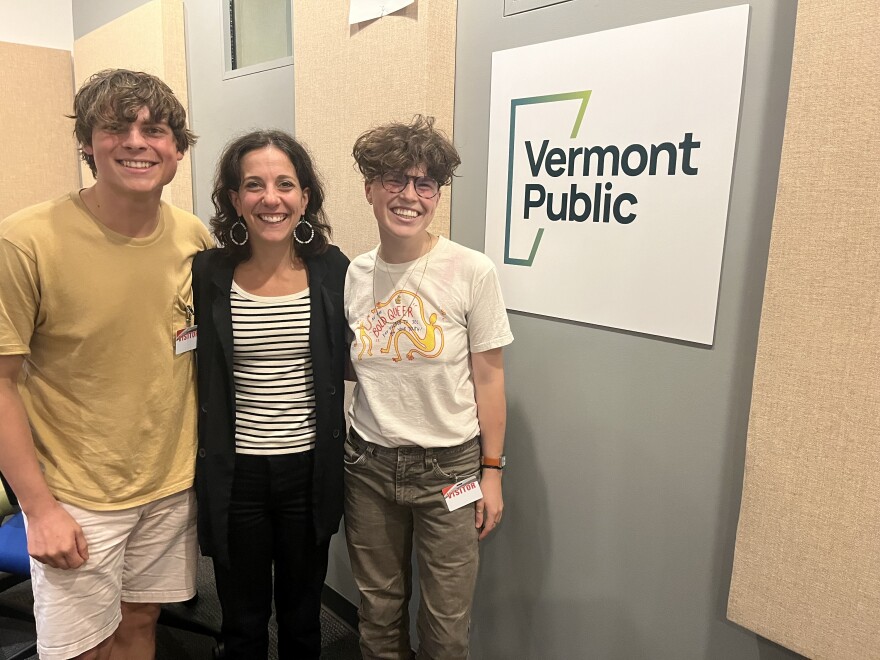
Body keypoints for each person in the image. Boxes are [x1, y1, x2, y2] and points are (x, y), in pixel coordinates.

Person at [0, 69, 210, 660]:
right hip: (78, 495)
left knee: (140, 625)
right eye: (115, 127)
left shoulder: (192, 238)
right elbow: (0, 386)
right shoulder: (26, 241)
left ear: (177, 150)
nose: (136, 142)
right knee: (80, 650)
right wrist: (38, 509)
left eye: (155, 129)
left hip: (170, 485)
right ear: (88, 144)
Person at [344, 115, 514, 659]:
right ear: (370, 188)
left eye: (425, 184)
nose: (409, 196)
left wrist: (493, 473)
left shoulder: (471, 270)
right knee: (378, 614)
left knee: (445, 627)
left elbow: (490, 379)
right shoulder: (353, 273)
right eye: (394, 180)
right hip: (368, 466)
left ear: (436, 195)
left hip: (451, 470)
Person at [192, 130, 350, 658]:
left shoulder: (332, 270)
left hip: (310, 469)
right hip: (236, 474)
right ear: (235, 200)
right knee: (242, 619)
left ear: (305, 196)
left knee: (305, 616)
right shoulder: (208, 272)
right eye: (253, 185)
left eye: (285, 184)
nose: (270, 198)